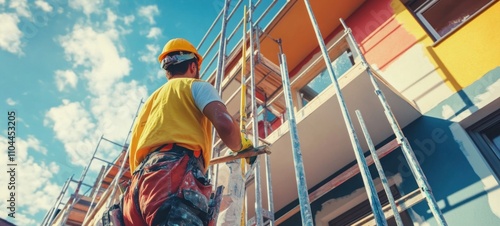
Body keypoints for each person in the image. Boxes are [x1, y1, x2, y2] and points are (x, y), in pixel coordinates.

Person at [122, 38, 253, 226]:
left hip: (136, 191)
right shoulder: (195, 86)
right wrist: (241, 145)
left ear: (168, 71)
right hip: (169, 177)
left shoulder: (150, 103)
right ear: (193, 66)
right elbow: (225, 124)